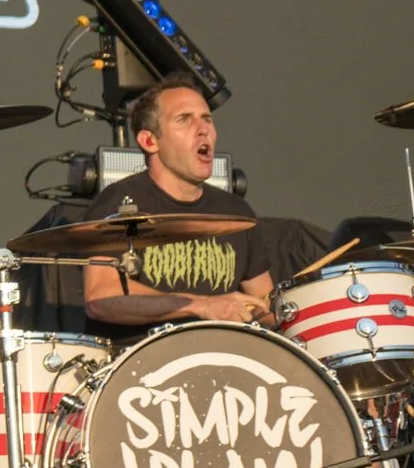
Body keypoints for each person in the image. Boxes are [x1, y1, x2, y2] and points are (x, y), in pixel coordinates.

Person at [82, 74, 272, 327]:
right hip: (146, 351)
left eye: (207, 119)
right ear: (150, 141)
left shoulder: (236, 212)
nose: (203, 129)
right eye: (184, 119)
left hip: (222, 349)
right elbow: (101, 298)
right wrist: (202, 305)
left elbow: (266, 308)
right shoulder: (119, 202)